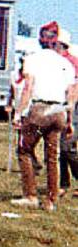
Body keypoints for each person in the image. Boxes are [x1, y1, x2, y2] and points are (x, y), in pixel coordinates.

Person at [11, 24, 77, 211]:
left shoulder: (32, 60)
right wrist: (70, 120)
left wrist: (18, 113)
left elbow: (28, 88)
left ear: (40, 39)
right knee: (52, 156)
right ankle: (51, 200)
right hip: (59, 111)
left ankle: (30, 195)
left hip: (40, 109)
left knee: (25, 150)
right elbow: (71, 94)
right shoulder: (66, 64)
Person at [55, 28, 78, 197]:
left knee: (66, 146)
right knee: (59, 147)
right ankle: (63, 183)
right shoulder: (54, 61)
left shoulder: (73, 62)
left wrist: (71, 107)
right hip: (58, 105)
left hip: (73, 107)